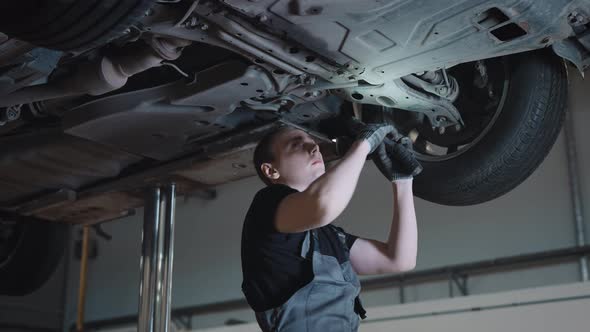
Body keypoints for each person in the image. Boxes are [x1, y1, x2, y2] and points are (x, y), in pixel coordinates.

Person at [241, 121, 420, 331]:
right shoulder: (266, 205)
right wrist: (362, 145)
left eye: (313, 142)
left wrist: (403, 182)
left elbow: (399, 260)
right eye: (296, 144)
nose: (314, 147)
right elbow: (323, 205)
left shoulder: (329, 236)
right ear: (271, 171)